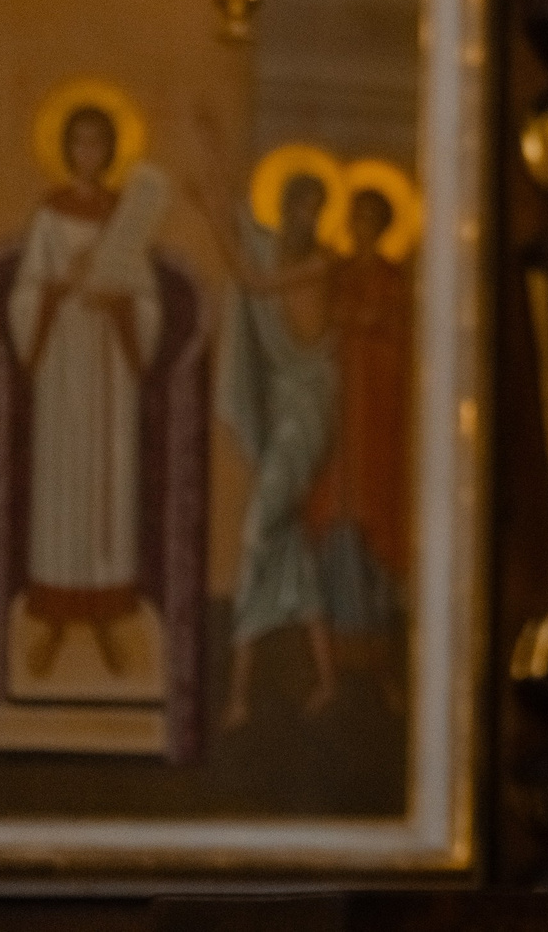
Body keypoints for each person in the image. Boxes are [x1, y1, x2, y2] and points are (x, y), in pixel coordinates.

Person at [8, 103, 165, 680]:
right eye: (80, 142)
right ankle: (53, 616)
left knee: (107, 484)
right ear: (68, 149)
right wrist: (56, 288)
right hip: (62, 363)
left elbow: (148, 303)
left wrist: (121, 302)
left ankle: (104, 614)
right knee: (62, 479)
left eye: (100, 142)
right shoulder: (49, 216)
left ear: (112, 150)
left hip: (110, 368)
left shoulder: (129, 215)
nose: (89, 153)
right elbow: (23, 296)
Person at [201, 165, 340, 729]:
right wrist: (214, 162)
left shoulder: (322, 259)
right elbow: (245, 228)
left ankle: (239, 694)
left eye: (312, 207)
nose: (302, 216)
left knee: (259, 531)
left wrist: (211, 217)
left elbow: (253, 282)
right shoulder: (274, 248)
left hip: (311, 397)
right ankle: (303, 684)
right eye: (295, 205)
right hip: (284, 394)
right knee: (289, 553)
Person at [307, 185, 412, 698]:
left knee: (374, 528)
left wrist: (367, 324)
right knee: (336, 525)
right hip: (339, 417)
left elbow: (398, 339)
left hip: (376, 418)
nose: (364, 225)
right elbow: (317, 330)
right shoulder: (338, 275)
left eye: (374, 217)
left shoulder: (392, 280)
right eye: (358, 216)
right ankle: (328, 667)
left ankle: (380, 666)